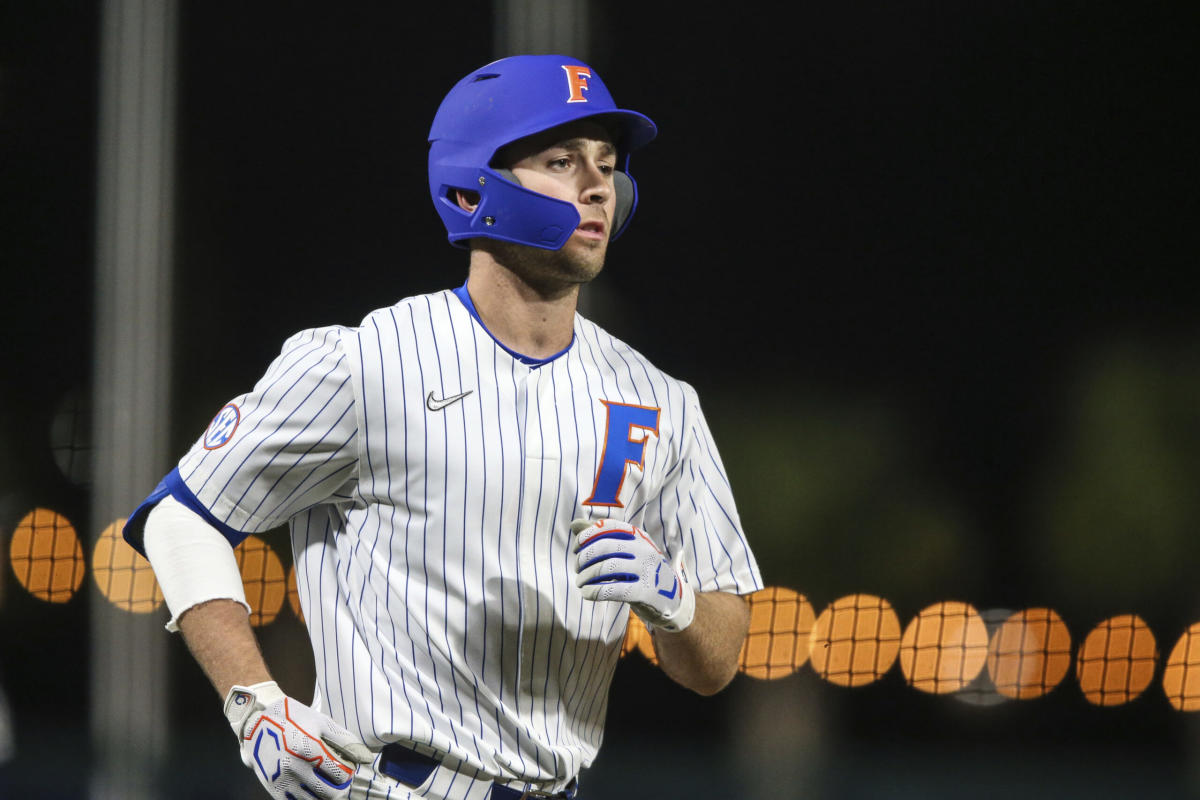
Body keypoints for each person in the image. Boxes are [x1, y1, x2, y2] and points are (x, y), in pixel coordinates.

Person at [123, 54, 761, 800]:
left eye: (607, 165)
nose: (596, 186)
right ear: (470, 187)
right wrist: (254, 703)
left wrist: (675, 600)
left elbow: (716, 662)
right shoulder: (365, 364)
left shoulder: (662, 403)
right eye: (560, 160)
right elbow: (179, 519)